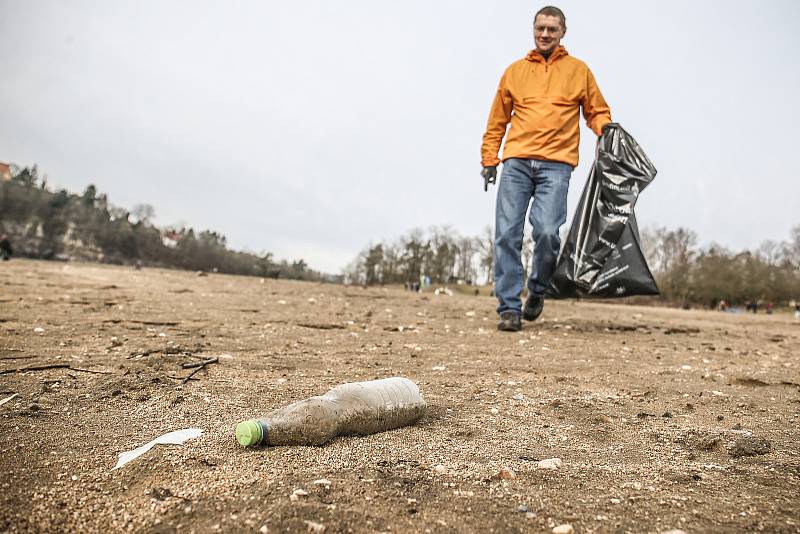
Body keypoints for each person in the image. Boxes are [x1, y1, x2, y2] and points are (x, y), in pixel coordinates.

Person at [480, 6, 612, 331]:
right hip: (516, 162)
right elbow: (497, 121)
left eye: (552, 29)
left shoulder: (579, 71)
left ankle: (537, 291)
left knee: (548, 234)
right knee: (507, 235)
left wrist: (606, 131)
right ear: (533, 29)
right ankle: (509, 307)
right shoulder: (514, 72)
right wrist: (489, 160)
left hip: (557, 165)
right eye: (540, 28)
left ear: (562, 32)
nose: (545, 34)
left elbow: (597, 111)